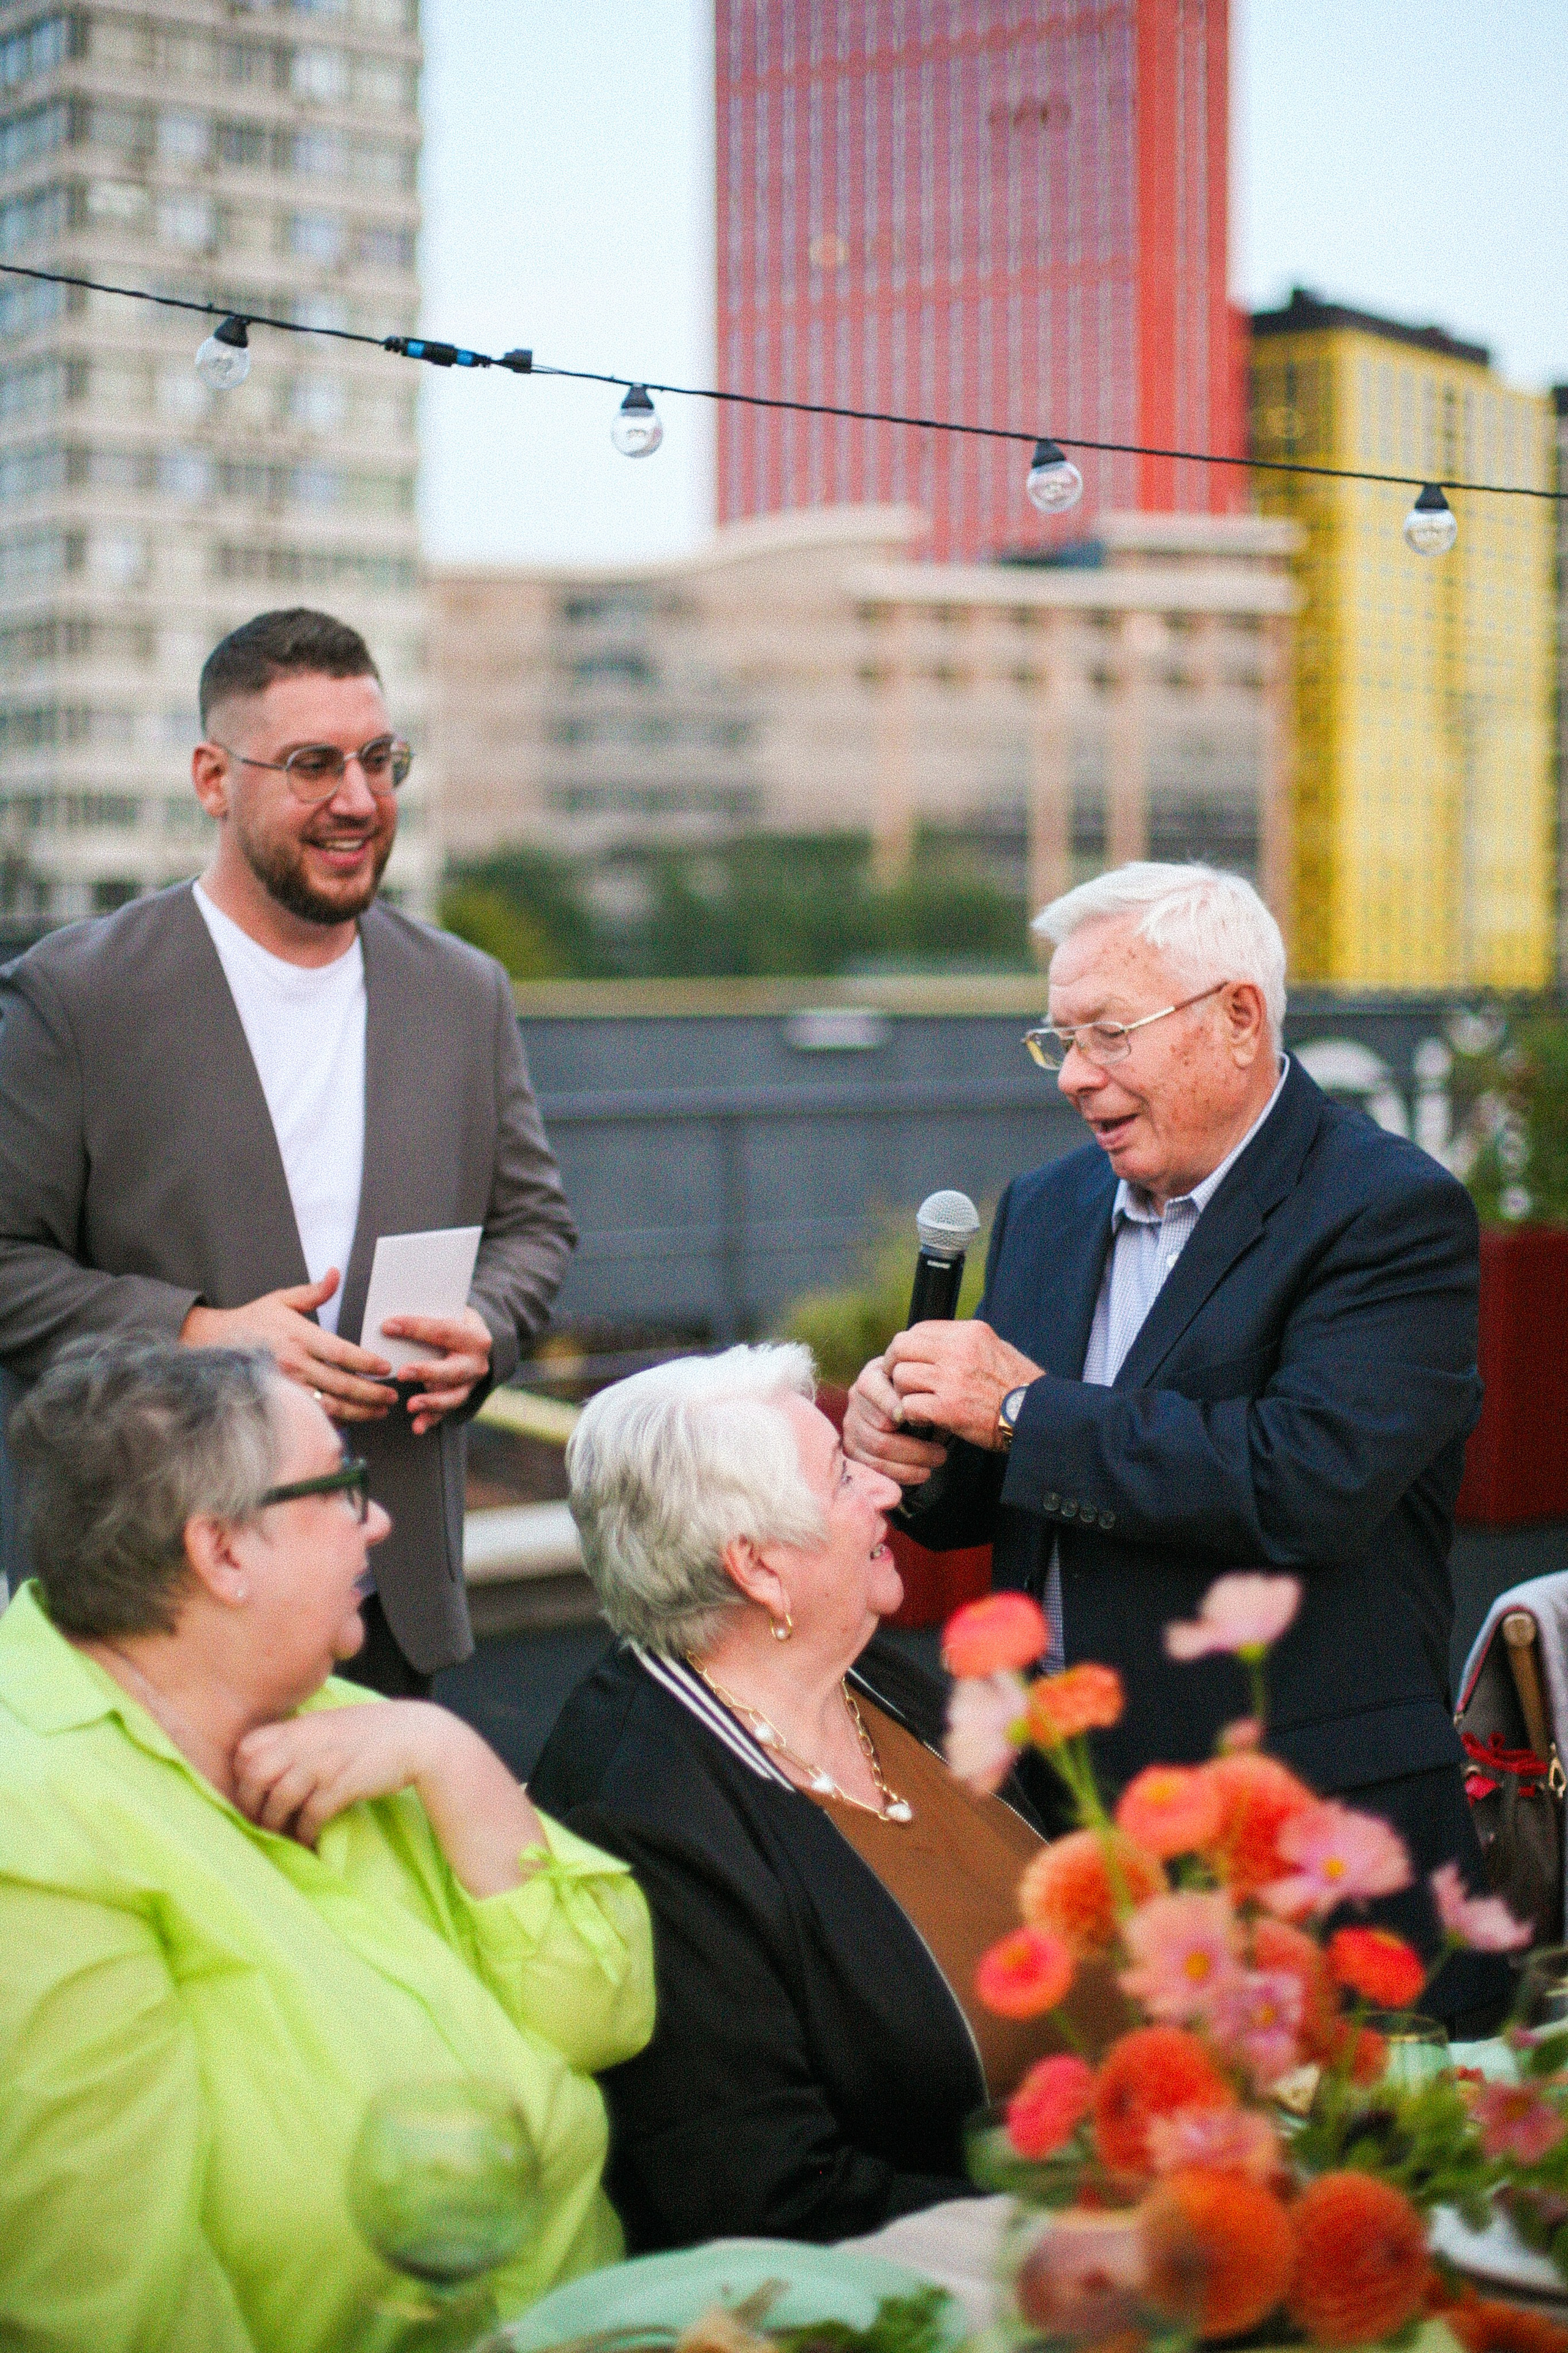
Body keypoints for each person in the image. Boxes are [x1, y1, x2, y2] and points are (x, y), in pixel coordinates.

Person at [843, 860, 1507, 2029]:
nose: (1080, 1077)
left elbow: (1307, 1480)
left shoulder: (1387, 1212)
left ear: (1238, 1016)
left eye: (1110, 1033)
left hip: (1298, 1830)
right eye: (1060, 1041)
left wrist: (1016, 1408)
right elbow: (1010, 1488)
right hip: (1061, 1815)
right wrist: (920, 1451)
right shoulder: (1048, 1205)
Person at [0, 1335, 652, 2352]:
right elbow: (122, 2316)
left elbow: (603, 2011)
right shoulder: (38, 1826)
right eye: (345, 1486)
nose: (380, 1517)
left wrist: (453, 1755)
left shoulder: (339, 1717)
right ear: (222, 1551)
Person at [0, 607, 575, 1690]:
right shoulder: (75, 997)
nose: (358, 800)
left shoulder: (464, 991)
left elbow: (535, 1226)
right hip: (150, 1607)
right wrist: (197, 1332)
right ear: (214, 779)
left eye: (378, 760)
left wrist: (485, 1325)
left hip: (390, 1609)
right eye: (314, 765)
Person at [531, 1343, 1115, 2252]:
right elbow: (764, 2197)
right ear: (758, 1567)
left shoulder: (860, 1672)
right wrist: (1083, 2217)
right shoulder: (647, 1815)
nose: (885, 1492)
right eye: (844, 1477)